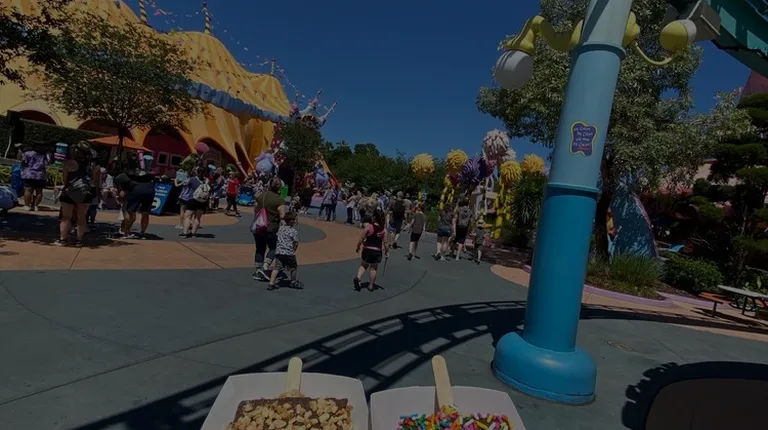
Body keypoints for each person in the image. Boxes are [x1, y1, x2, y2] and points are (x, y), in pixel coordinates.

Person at [56, 141, 98, 246]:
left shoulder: (69, 163)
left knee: (66, 217)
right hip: (86, 192)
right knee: (82, 217)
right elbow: (93, 180)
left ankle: (63, 239)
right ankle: (79, 240)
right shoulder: (92, 165)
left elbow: (65, 180)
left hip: (70, 191)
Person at [253, 177, 287, 281]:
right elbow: (282, 216)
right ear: (280, 187)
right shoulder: (279, 200)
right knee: (274, 247)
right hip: (271, 228)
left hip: (259, 226)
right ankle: (265, 267)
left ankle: (258, 270)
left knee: (260, 248)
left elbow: (255, 209)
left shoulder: (261, 195)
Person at [354, 208, 388, 292]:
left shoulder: (369, 227)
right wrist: (387, 252)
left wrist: (358, 246)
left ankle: (358, 277)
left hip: (367, 249)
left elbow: (361, 238)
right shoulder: (383, 230)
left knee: (363, 265)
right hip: (377, 251)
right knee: (373, 268)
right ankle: (371, 285)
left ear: (374, 218)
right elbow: (386, 243)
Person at [267, 212, 302, 290]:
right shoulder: (293, 231)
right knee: (293, 268)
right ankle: (293, 281)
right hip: (289, 253)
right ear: (292, 221)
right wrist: (294, 250)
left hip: (279, 252)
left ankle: (271, 283)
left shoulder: (280, 228)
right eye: (295, 220)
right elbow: (295, 243)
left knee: (276, 268)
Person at [122, 169, 156, 239]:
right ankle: (142, 233)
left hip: (136, 188)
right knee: (145, 213)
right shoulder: (147, 174)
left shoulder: (132, 175)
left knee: (130, 212)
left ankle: (126, 232)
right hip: (149, 189)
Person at [179, 167, 207, 237]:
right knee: (197, 218)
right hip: (202, 201)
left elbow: (184, 184)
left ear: (197, 172)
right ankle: (193, 233)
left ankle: (185, 232)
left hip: (192, 199)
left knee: (188, 216)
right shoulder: (207, 180)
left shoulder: (192, 179)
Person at [20, 142, 48, 211]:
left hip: (29, 174)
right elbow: (46, 164)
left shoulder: (27, 153)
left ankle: (27, 205)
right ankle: (36, 206)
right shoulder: (43, 155)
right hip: (40, 175)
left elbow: (23, 162)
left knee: (28, 190)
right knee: (39, 191)